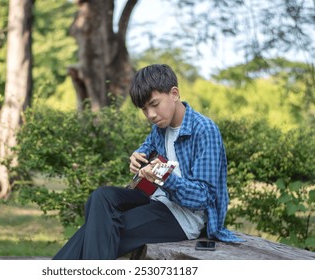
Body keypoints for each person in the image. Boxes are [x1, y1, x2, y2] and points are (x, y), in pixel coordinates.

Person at [53, 64, 242, 260]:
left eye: (154, 104)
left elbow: (204, 196)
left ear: (174, 94)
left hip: (185, 217)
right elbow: (146, 148)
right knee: (100, 197)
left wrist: (164, 178)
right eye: (144, 109)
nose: (150, 114)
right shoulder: (160, 127)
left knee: (103, 230)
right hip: (156, 199)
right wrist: (137, 156)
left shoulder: (204, 130)